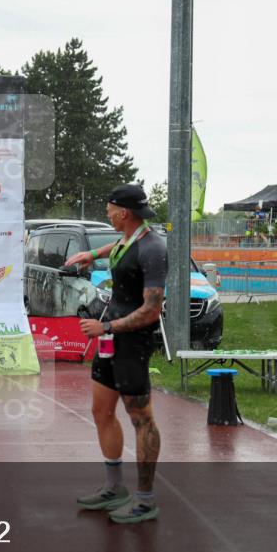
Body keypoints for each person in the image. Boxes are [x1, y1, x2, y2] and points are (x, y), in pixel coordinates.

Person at [65, 184, 167, 524]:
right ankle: (113, 488)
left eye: (109, 209)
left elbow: (152, 310)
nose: (106, 214)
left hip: (132, 343)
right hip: (110, 339)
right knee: (100, 410)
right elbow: (120, 249)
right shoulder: (129, 239)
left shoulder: (153, 248)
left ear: (123, 213)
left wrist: (106, 328)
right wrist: (91, 255)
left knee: (141, 419)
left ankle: (146, 499)